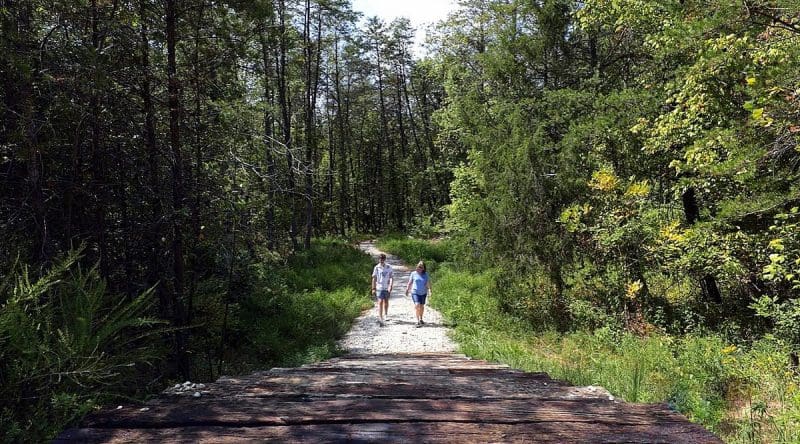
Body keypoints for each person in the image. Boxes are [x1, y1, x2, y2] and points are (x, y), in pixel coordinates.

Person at [405, 260, 431, 328]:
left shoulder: (426, 274)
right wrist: (407, 289)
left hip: (423, 292)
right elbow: (410, 282)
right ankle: (418, 320)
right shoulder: (413, 273)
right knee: (417, 305)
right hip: (415, 292)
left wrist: (430, 290)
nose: (419, 268)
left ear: (423, 268)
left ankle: (421, 318)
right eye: (418, 266)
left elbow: (428, 283)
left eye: (421, 267)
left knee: (422, 306)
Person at [371, 253, 393, 327]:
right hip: (379, 287)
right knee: (380, 302)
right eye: (380, 258)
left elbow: (391, 277)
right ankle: (380, 317)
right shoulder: (376, 267)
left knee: (386, 301)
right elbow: (374, 278)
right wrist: (373, 288)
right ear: (379, 259)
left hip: (386, 287)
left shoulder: (389, 267)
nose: (381, 260)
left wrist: (390, 286)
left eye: (383, 258)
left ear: (385, 259)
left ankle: (386, 314)